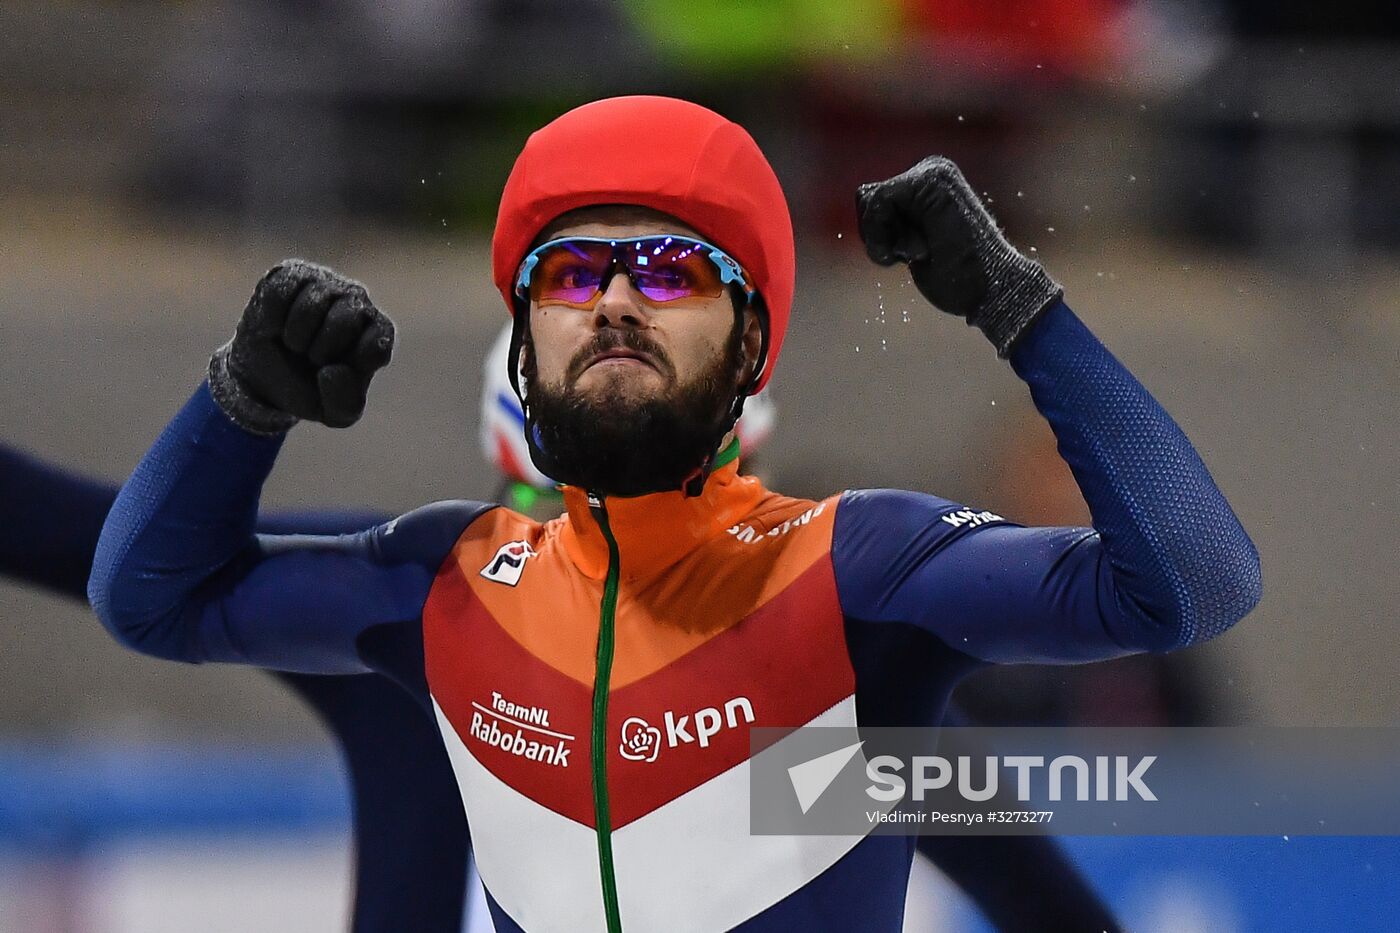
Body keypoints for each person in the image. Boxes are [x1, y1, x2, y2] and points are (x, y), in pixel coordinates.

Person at [89, 95, 1261, 932]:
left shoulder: (857, 570)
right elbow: (146, 599)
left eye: (664, 272)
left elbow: (1194, 584)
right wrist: (243, 405)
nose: (608, 300)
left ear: (750, 340)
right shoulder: (437, 583)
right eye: (566, 275)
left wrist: (1020, 305)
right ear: (527, 344)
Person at [479, 323, 1123, 932]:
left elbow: (1050, 908)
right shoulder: (442, 670)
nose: (633, 562)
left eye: (691, 502)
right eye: (569, 517)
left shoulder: (820, 726)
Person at [0, 443, 473, 933]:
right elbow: (129, 568)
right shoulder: (424, 620)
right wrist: (245, 401)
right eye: (523, 501)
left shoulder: (429, 622)